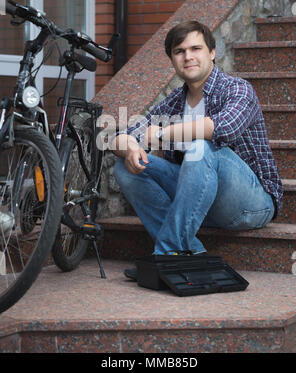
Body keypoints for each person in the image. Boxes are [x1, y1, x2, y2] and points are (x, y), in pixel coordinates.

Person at [112, 20, 283, 280]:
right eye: (179, 51)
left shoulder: (236, 89)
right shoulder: (172, 103)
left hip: (249, 204)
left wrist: (160, 133)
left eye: (196, 48)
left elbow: (223, 128)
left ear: (212, 53)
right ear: (172, 59)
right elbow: (119, 137)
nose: (188, 56)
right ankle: (192, 254)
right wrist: (131, 147)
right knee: (126, 166)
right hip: (198, 201)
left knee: (201, 147)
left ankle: (166, 255)